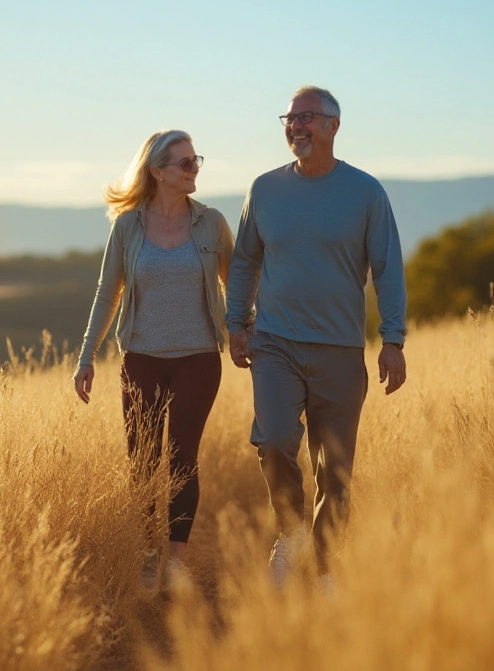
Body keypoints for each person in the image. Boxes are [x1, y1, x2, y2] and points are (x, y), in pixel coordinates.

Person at [225, 86, 407, 587]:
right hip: (275, 342)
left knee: (336, 467)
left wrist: (393, 339)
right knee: (276, 439)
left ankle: (328, 567)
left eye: (306, 116)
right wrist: (236, 324)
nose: (295, 125)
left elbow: (388, 269)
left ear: (333, 125)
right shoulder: (264, 189)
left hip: (341, 347)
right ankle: (292, 533)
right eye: (289, 117)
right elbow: (244, 261)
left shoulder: (366, 191)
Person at [73, 129, 234, 591]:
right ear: (157, 171)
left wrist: (245, 332)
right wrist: (87, 356)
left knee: (182, 458)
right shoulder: (128, 226)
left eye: (196, 160)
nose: (194, 169)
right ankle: (148, 555)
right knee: (142, 461)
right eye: (184, 163)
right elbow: (108, 293)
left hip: (199, 358)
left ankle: (177, 563)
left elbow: (238, 284)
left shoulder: (211, 223)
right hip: (141, 357)